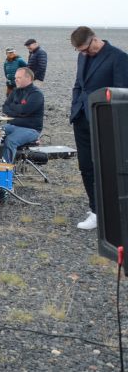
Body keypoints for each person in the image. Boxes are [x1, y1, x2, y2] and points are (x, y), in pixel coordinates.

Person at [69, 26, 128, 230]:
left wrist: (113, 121)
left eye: (86, 49)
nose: (84, 54)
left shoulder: (118, 58)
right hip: (81, 118)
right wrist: (75, 106)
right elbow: (78, 84)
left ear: (95, 40)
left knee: (106, 168)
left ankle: (107, 212)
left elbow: (121, 93)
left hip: (104, 121)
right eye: (80, 51)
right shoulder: (82, 57)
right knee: (86, 166)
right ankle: (95, 208)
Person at [0, 67, 43, 163]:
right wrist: (18, 110)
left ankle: (6, 171)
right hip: (12, 125)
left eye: (18, 77)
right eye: (15, 78)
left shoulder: (36, 94)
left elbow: (25, 110)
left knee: (11, 140)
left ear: (28, 78)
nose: (15, 80)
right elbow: (5, 107)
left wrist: (13, 107)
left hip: (31, 129)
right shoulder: (15, 91)